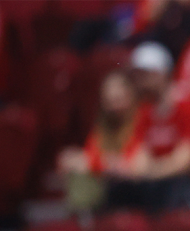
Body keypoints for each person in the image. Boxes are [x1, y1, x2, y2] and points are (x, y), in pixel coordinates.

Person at [105, 42, 190, 214]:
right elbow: (140, 158)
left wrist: (148, 172)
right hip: (158, 180)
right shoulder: (145, 111)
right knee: (118, 190)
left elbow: (185, 162)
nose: (138, 82)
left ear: (160, 74)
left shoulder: (187, 105)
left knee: (170, 190)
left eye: (143, 75)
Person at [58, 71, 141, 212]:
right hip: (109, 181)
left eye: (119, 99)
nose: (115, 106)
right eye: (110, 101)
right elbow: (92, 154)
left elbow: (137, 159)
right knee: (73, 164)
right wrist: (100, 162)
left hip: (137, 184)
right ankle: (82, 220)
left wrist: (105, 163)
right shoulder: (103, 125)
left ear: (131, 96)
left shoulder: (141, 119)